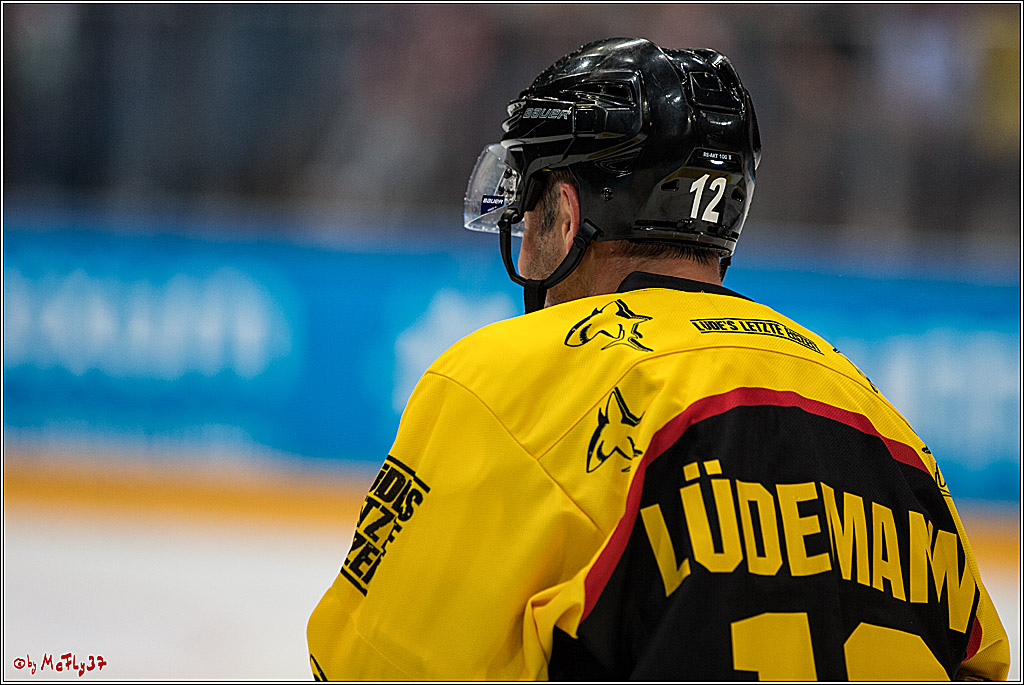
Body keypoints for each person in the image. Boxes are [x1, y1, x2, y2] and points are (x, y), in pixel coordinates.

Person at [307, 37, 1010, 680]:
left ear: (567, 215)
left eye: (529, 215)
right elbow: (978, 663)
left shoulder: (507, 377)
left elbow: (372, 666)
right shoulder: (877, 416)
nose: (525, 240)